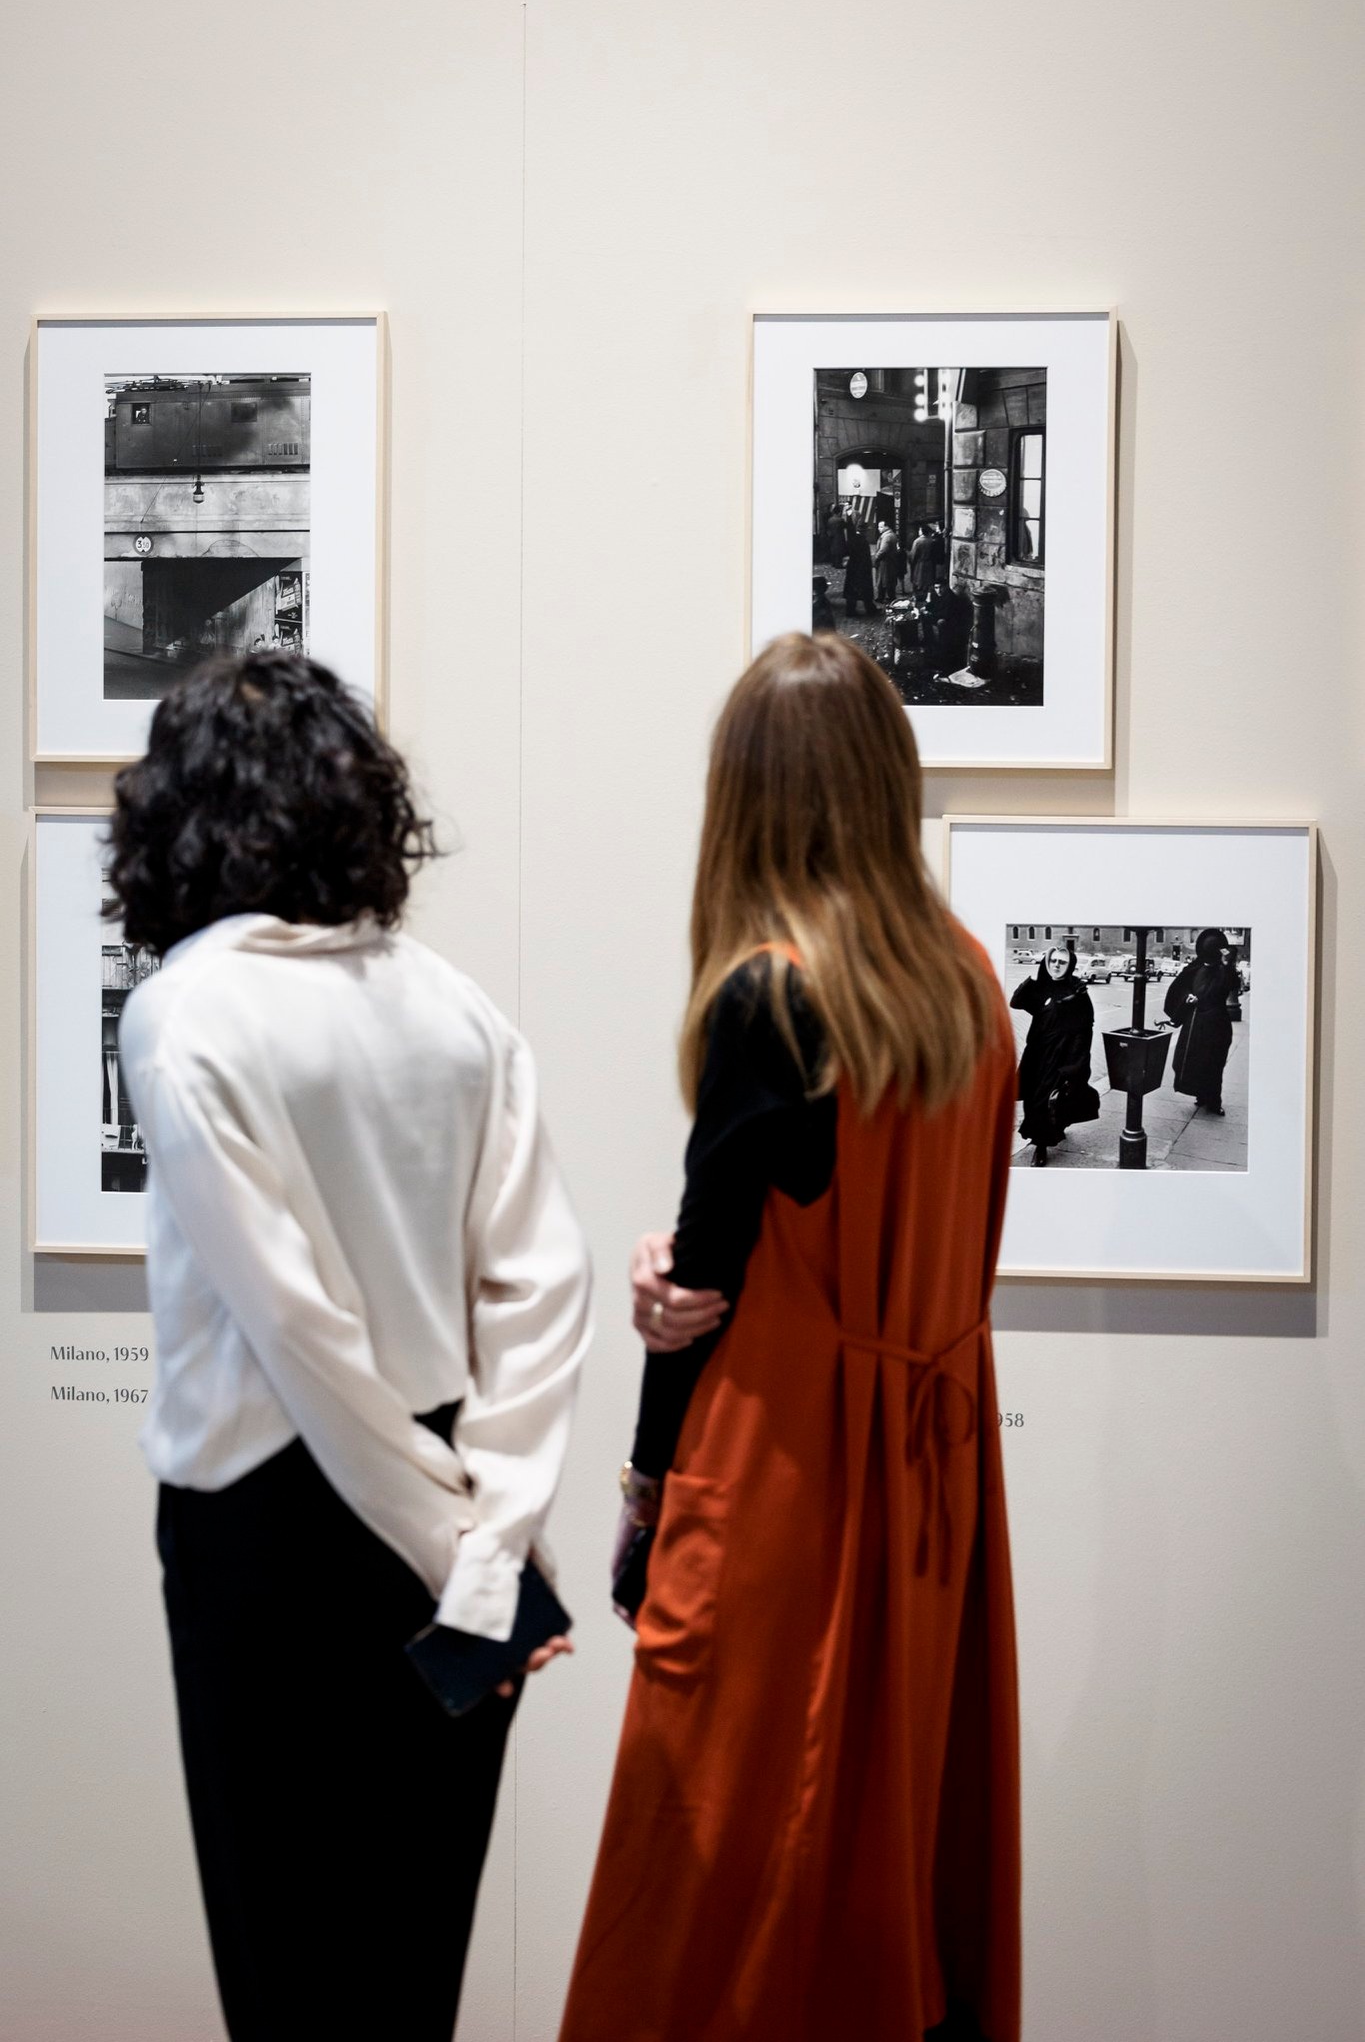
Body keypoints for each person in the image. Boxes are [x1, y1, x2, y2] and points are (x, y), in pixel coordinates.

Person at [107, 651, 592, 2042]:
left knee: (291, 1990)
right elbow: (542, 1291)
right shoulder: (452, 1006)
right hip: (451, 1509)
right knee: (406, 1982)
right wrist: (491, 1547)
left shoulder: (185, 1010)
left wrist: (465, 1552)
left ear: (180, 816)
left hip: (269, 1541)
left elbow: (299, 1337)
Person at [558, 631, 1022, 2042]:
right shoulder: (965, 988)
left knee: (711, 1877)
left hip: (783, 1491)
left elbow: (696, 1296)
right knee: (886, 1838)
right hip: (932, 1489)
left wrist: (645, 1489)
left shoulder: (774, 993)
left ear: (747, 798)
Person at [1009, 946, 1101, 1167]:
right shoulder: (1040, 987)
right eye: (1053, 961)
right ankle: (1044, 1136)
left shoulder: (1076, 991)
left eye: (1062, 962)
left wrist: (1075, 1064)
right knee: (1033, 1100)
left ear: (1069, 965)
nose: (1057, 965)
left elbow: (1085, 1027)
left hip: (1061, 1056)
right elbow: (1016, 1002)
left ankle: (1041, 1146)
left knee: (1047, 1100)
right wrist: (1031, 979)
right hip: (1036, 1055)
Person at [1164, 928, 1238, 1114]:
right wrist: (1187, 997)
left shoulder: (1224, 970)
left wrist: (1226, 958)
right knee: (1201, 1062)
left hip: (1214, 1023)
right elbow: (1179, 990)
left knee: (1213, 1063)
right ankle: (1202, 1096)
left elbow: (1231, 985)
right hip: (1199, 1023)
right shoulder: (1195, 969)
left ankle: (1212, 1100)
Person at [842, 515, 877, 616]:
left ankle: (850, 611)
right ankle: (870, 609)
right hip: (862, 569)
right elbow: (865, 558)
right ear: (864, 531)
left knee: (851, 591)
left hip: (852, 568)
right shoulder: (863, 542)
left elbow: (847, 553)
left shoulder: (851, 539)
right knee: (866, 591)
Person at [872, 516, 899, 601]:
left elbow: (883, 550)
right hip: (890, 561)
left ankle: (882, 597)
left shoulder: (886, 536)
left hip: (885, 562)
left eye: (881, 527)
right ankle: (889, 596)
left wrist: (876, 557)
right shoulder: (891, 534)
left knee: (883, 580)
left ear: (886, 527)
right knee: (888, 579)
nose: (879, 529)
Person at [909, 518, 937, 599]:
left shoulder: (917, 541)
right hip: (929, 563)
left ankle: (917, 596)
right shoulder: (931, 541)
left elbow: (913, 555)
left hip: (920, 564)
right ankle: (927, 596)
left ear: (921, 531)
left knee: (918, 580)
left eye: (919, 530)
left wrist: (912, 563)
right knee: (928, 580)